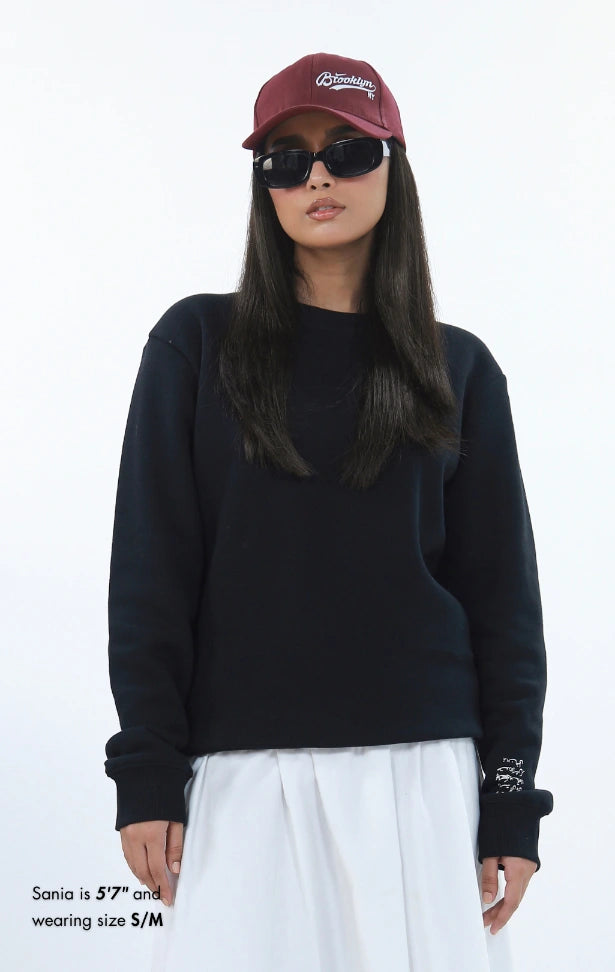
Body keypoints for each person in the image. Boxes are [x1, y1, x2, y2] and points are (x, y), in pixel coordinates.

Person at [104, 52, 554, 971]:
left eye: (347, 151)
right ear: (264, 185)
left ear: (394, 165)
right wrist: (146, 773)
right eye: (286, 158)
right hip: (243, 778)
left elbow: (505, 604)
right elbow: (151, 573)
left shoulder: (458, 368)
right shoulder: (196, 344)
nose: (316, 176)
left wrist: (511, 799)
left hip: (424, 782)